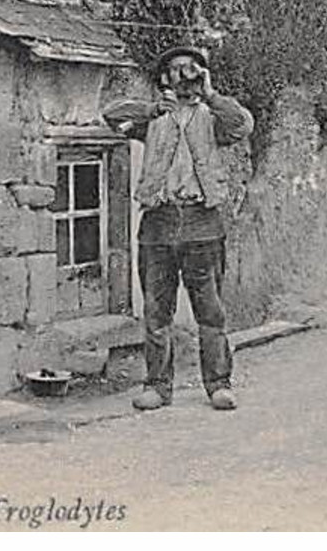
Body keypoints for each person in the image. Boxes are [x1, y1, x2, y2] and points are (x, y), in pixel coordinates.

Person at [104, 46, 254, 412]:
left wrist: (212, 92)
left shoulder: (212, 116)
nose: (185, 76)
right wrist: (152, 108)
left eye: (192, 70)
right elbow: (111, 115)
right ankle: (157, 385)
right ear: (165, 79)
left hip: (203, 221)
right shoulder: (153, 118)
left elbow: (242, 124)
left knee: (211, 312)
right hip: (159, 221)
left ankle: (218, 384)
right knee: (157, 312)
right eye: (177, 70)